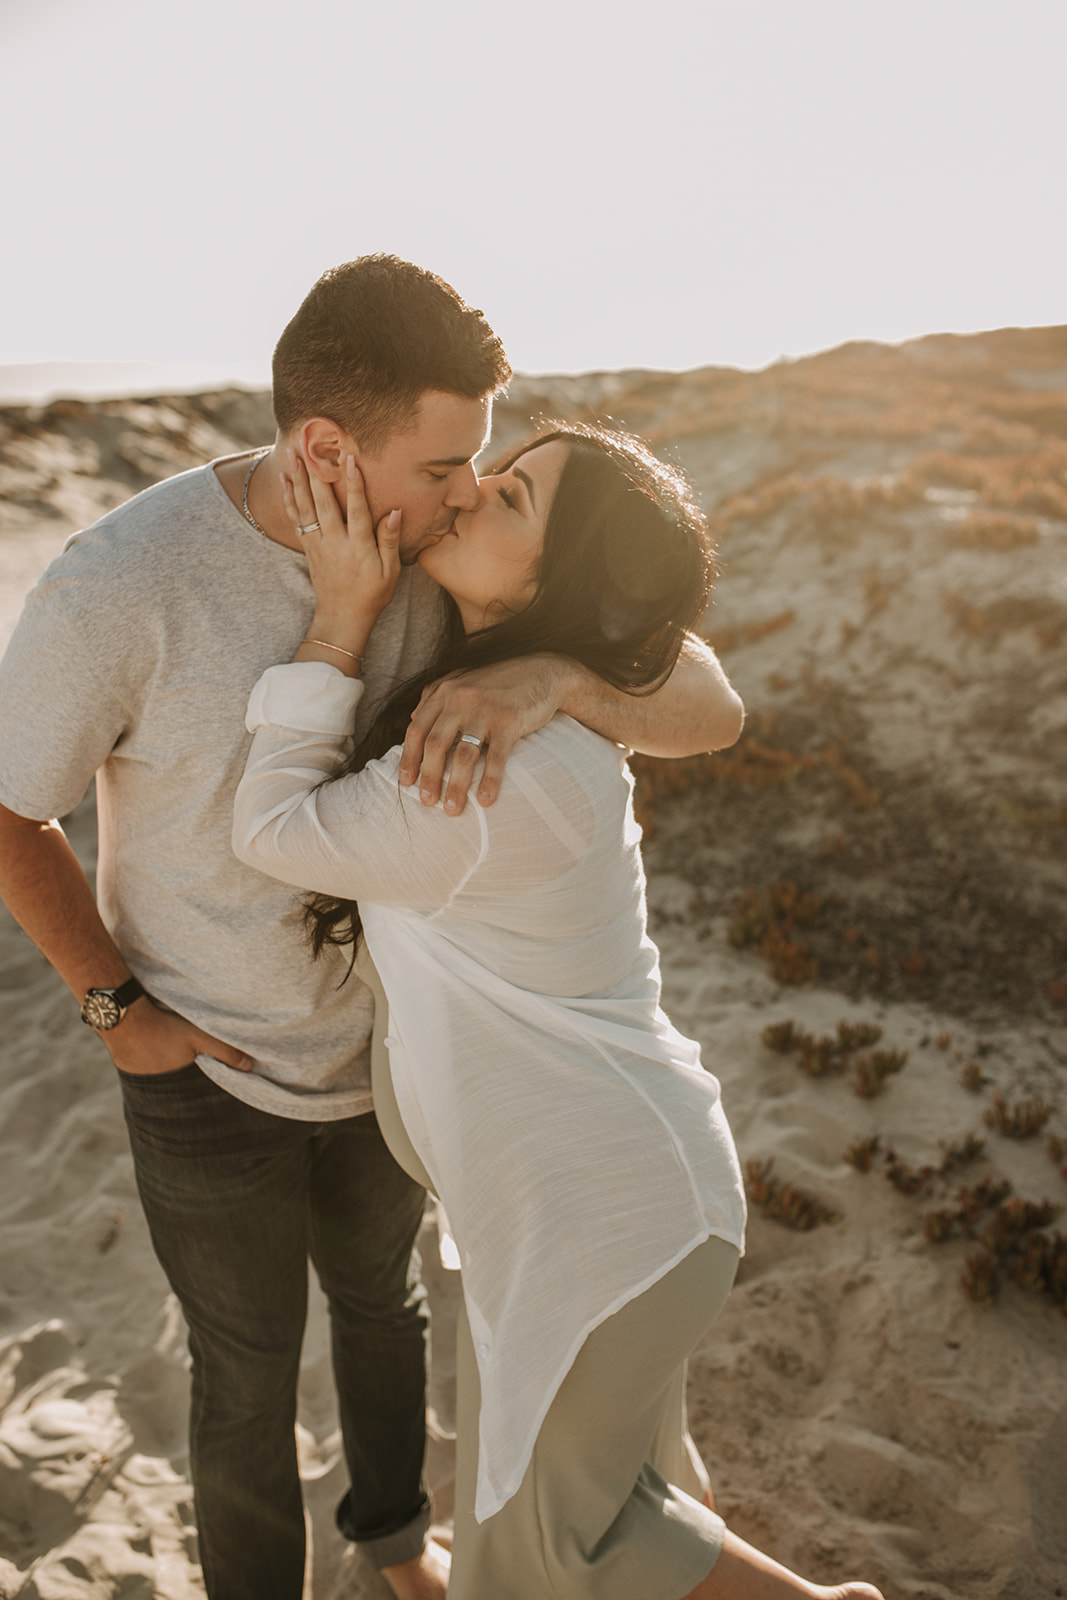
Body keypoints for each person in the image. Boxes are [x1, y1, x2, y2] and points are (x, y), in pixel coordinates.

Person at [0, 257, 746, 1600]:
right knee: (239, 1377)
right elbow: (9, 811)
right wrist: (117, 1012)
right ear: (327, 447)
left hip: (386, 1072)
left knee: (384, 1313)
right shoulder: (123, 582)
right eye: (450, 460)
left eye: (482, 469)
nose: (466, 490)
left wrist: (553, 670)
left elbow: (703, 700)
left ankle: (395, 1549)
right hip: (205, 1063)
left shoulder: (440, 556)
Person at [230, 430, 885, 1600]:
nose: (472, 487)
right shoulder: (535, 720)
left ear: (553, 582)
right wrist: (558, 671)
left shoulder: (487, 774)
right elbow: (682, 673)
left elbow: (271, 832)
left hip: (606, 1222)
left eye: (512, 494)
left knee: (547, 1554)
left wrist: (336, 622)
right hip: (590, 1213)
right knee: (600, 1517)